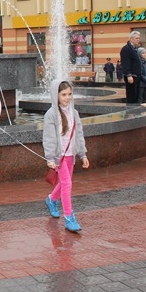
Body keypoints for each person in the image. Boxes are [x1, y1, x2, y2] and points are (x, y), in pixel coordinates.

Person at [43, 79, 90, 233]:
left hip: (71, 155)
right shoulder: (51, 114)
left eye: (69, 94)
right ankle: (69, 218)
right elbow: (49, 137)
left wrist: (83, 154)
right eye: (63, 94)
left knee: (64, 183)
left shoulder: (73, 113)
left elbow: (79, 135)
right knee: (67, 185)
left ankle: (51, 200)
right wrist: (50, 158)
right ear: (55, 95)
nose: (67, 97)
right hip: (59, 157)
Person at [120, 31, 141, 103]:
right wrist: (128, 75)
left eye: (139, 38)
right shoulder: (126, 49)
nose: (138, 39)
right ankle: (130, 112)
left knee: (136, 96)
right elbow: (125, 63)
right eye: (136, 38)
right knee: (131, 96)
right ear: (131, 39)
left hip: (137, 76)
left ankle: (136, 112)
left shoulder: (135, 49)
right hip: (131, 76)